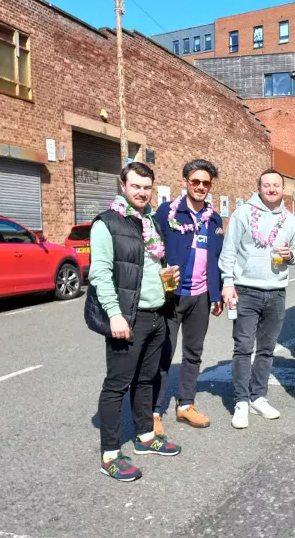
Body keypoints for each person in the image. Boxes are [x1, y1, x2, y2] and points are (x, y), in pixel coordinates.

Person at [85, 162, 181, 482]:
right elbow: (100, 274)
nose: (142, 192)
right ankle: (110, 454)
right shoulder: (107, 223)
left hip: (157, 314)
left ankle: (145, 436)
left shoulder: (150, 221)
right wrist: (114, 314)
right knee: (117, 385)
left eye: (147, 187)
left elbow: (149, 266)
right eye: (136, 186)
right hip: (129, 317)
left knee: (146, 380)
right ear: (122, 185)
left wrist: (167, 278)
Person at [219, 169, 295, 429]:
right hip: (246, 290)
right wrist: (228, 283)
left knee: (266, 349)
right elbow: (229, 250)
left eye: (276, 185)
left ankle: (258, 397)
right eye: (267, 185)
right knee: (243, 347)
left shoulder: (290, 220)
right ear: (259, 188)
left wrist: (291, 255)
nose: (272, 189)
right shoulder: (243, 213)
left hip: (276, 291)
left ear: (284, 189)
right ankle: (241, 401)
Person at [152, 160, 224, 434]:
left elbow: (216, 259)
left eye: (206, 183)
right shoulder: (167, 212)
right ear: (184, 182)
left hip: (200, 297)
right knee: (162, 354)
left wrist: (216, 294)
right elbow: (152, 248)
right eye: (195, 181)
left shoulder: (214, 219)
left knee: (193, 353)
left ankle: (186, 404)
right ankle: (154, 411)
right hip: (171, 295)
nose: (201, 187)